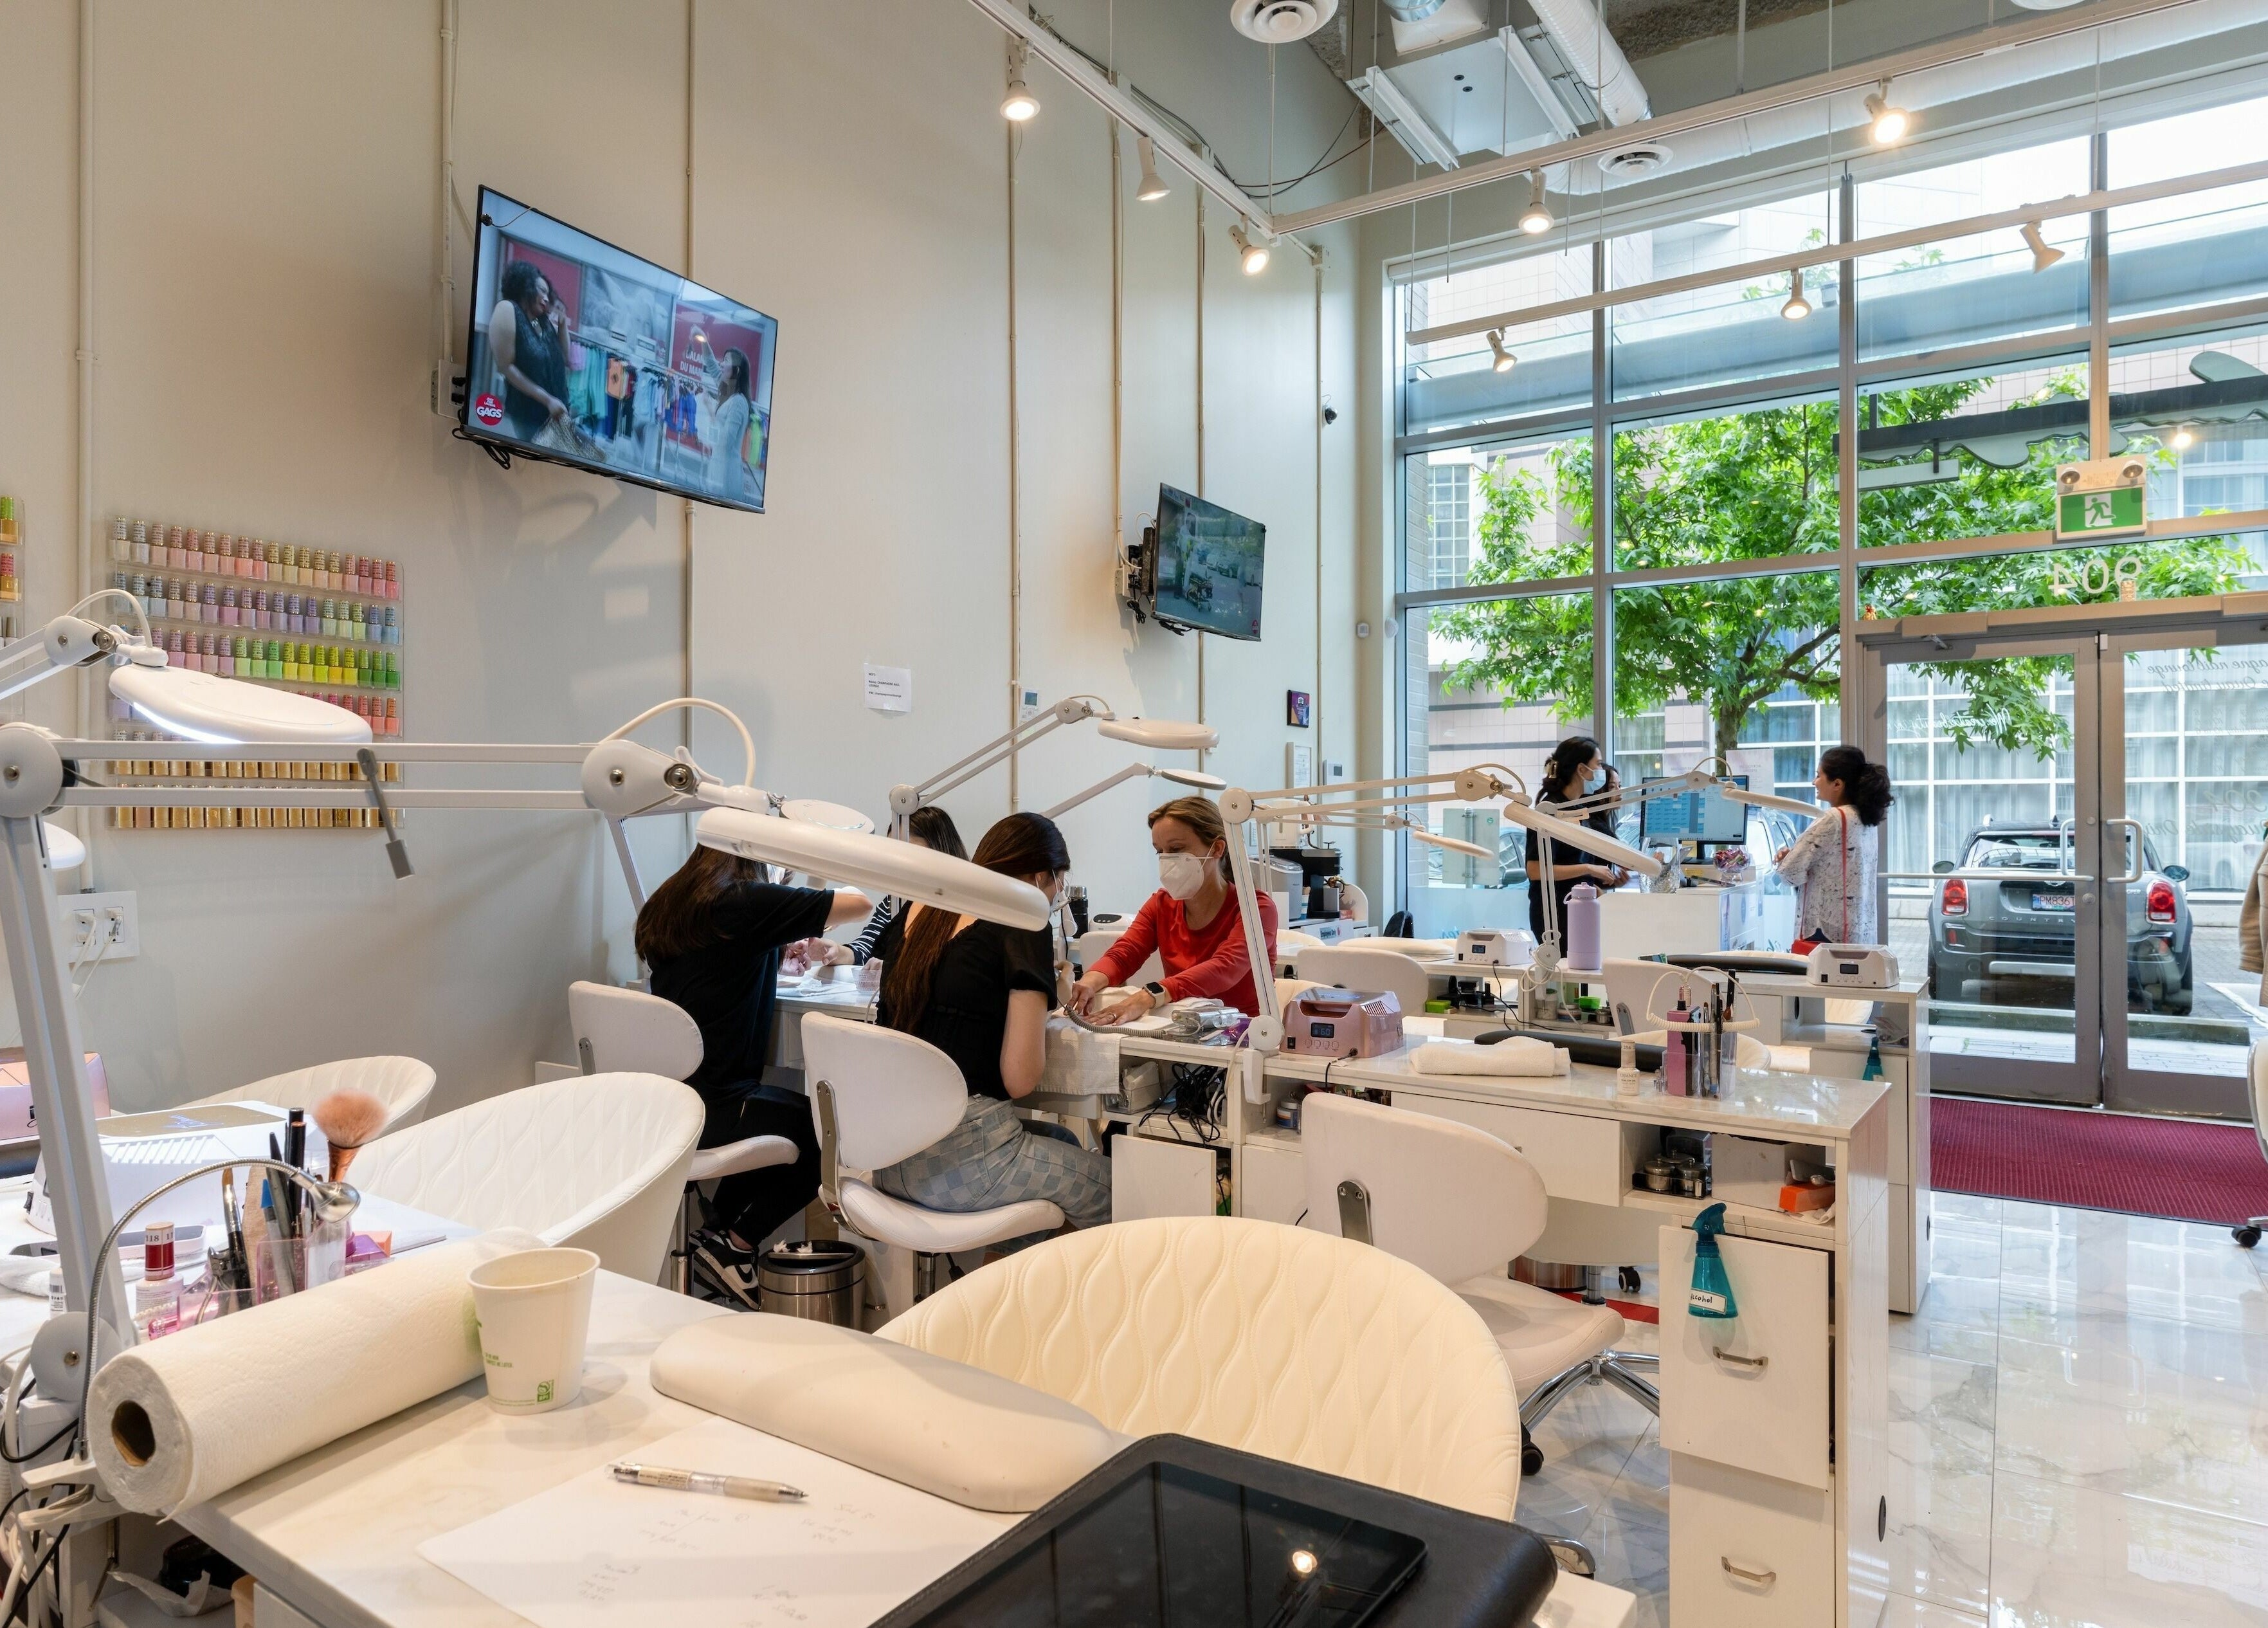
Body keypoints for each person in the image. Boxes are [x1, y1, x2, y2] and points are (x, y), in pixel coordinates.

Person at [637, 845, 871, 1304]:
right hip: (721, 1105)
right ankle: (737, 1242)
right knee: (828, 1133)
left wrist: (773, 944)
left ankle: (715, 1236)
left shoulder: (671, 899)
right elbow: (859, 902)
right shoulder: (743, 899)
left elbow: (716, 963)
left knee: (786, 1113)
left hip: (672, 1102)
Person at [869, 813, 1109, 1243]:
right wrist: (1046, 990)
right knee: (1120, 1188)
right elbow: (1020, 1078)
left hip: (890, 1156)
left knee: (1062, 1142)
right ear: (1041, 877)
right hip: (964, 1165)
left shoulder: (920, 911)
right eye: (1058, 884)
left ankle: (1003, 1296)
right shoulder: (1022, 917)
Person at [1069, 795, 1280, 1025]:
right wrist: (1089, 982)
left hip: (1242, 1035)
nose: (1167, 859)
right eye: (1160, 851)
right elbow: (1125, 953)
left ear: (1217, 848)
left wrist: (1149, 994)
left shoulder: (1256, 907)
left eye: (1176, 848)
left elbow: (1226, 967)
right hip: (1184, 1031)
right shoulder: (1161, 905)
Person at [785, 806, 967, 971]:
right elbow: (867, 948)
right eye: (892, 853)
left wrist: (892, 969)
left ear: (941, 850)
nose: (899, 863)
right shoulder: (895, 901)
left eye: (909, 853)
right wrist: (834, 951)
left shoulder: (965, 907)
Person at [1775, 745, 1894, 947]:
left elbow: (1789, 873)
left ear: (1837, 784)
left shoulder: (1832, 819)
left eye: (1819, 776)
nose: (1814, 782)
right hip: (1857, 931)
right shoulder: (1865, 819)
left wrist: (1788, 859)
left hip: (1824, 932)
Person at [1528, 736, 1628, 943]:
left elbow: (1575, 865)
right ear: (1582, 770)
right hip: (1554, 915)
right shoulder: (1549, 810)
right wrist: (1589, 870)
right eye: (1598, 765)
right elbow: (1536, 870)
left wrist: (1600, 882)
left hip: (1579, 910)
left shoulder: (1577, 809)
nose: (1601, 770)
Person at [486, 262, 572, 444]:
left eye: (548, 293)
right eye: (542, 290)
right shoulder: (507, 309)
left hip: (556, 415)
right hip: (528, 416)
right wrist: (548, 400)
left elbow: (565, 357)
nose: (547, 298)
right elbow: (505, 366)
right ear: (525, 286)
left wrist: (563, 325)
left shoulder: (542, 321)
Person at [705, 348, 755, 503]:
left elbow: (726, 442)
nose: (721, 364)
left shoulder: (738, 403)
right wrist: (702, 339)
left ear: (737, 370)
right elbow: (712, 365)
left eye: (726, 361)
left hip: (727, 476)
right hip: (718, 470)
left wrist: (710, 410)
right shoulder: (729, 395)